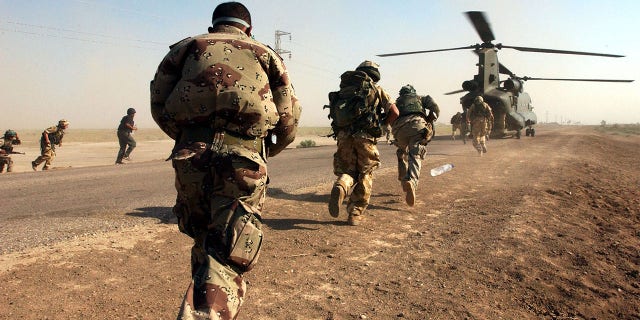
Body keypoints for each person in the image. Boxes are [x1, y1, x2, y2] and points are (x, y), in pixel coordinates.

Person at [149, 2, 301, 319]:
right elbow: (287, 120)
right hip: (243, 158)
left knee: (206, 240)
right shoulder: (266, 54)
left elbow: (159, 105)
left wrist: (187, 140)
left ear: (213, 25)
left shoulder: (185, 48)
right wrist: (264, 150)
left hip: (191, 156)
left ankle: (204, 303)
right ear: (247, 28)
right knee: (229, 254)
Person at [327, 60, 399, 226]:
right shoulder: (376, 89)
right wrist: (382, 125)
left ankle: (342, 184)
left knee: (349, 170)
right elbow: (395, 112)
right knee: (366, 173)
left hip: (344, 136)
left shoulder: (345, 89)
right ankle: (354, 213)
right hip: (365, 137)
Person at [391, 85, 440, 206]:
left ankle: (403, 181)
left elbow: (390, 116)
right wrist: (430, 119)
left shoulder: (396, 102)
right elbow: (435, 108)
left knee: (401, 153)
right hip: (417, 127)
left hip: (399, 131)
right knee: (415, 154)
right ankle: (411, 181)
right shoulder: (421, 98)